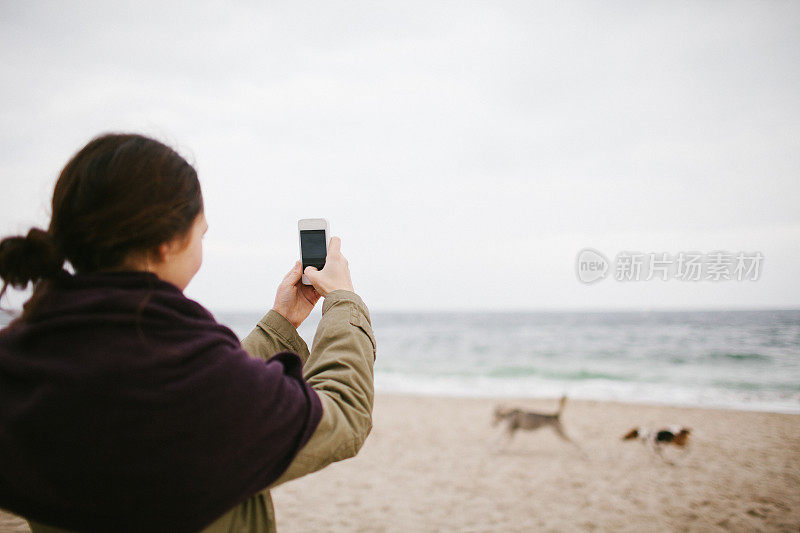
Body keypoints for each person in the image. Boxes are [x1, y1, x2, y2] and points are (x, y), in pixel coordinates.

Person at [0, 133, 376, 532]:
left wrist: (280, 324)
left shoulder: (21, 364)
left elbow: (201, 388)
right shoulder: (193, 386)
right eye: (201, 231)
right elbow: (342, 414)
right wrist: (343, 300)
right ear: (165, 244)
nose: (202, 240)